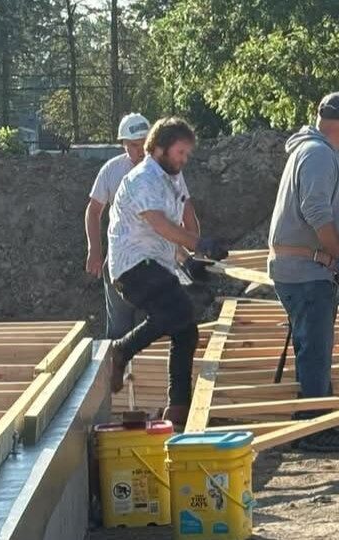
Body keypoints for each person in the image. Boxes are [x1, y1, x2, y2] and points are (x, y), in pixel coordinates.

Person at [105, 117, 228, 425]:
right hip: (133, 266)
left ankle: (178, 407)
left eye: (187, 154)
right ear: (159, 149)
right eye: (180, 152)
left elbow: (185, 215)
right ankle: (121, 350)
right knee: (178, 311)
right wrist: (200, 244)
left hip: (157, 264)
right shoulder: (143, 178)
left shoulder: (171, 176)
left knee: (186, 331)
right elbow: (160, 225)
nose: (184, 159)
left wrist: (191, 259)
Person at [267, 92, 339, 452]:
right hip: (306, 270)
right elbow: (316, 211)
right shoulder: (319, 154)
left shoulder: (310, 150)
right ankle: (312, 428)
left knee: (314, 344)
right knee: (315, 347)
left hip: (306, 268)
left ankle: (320, 414)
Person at [85, 113, 201, 339]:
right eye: (133, 145)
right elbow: (93, 211)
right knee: (120, 327)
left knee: (164, 324)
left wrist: (193, 249)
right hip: (127, 262)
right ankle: (117, 367)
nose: (139, 150)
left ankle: (143, 366)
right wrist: (95, 250)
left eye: (143, 143)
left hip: (159, 259)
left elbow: (186, 209)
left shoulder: (169, 171)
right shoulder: (112, 171)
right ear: (123, 144)